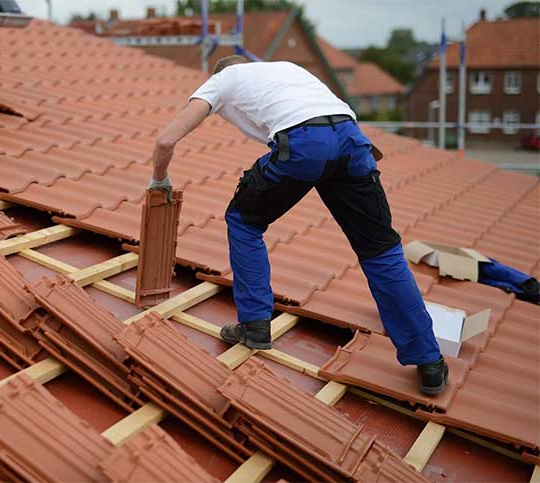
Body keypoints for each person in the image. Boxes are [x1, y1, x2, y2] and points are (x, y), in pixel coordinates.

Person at [148, 55, 448, 395]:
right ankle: (430, 362)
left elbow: (166, 140)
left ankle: (254, 325)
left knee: (243, 221)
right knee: (381, 250)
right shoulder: (287, 70)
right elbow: (328, 118)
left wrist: (159, 181)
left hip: (306, 144)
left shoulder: (223, 80)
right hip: (352, 140)